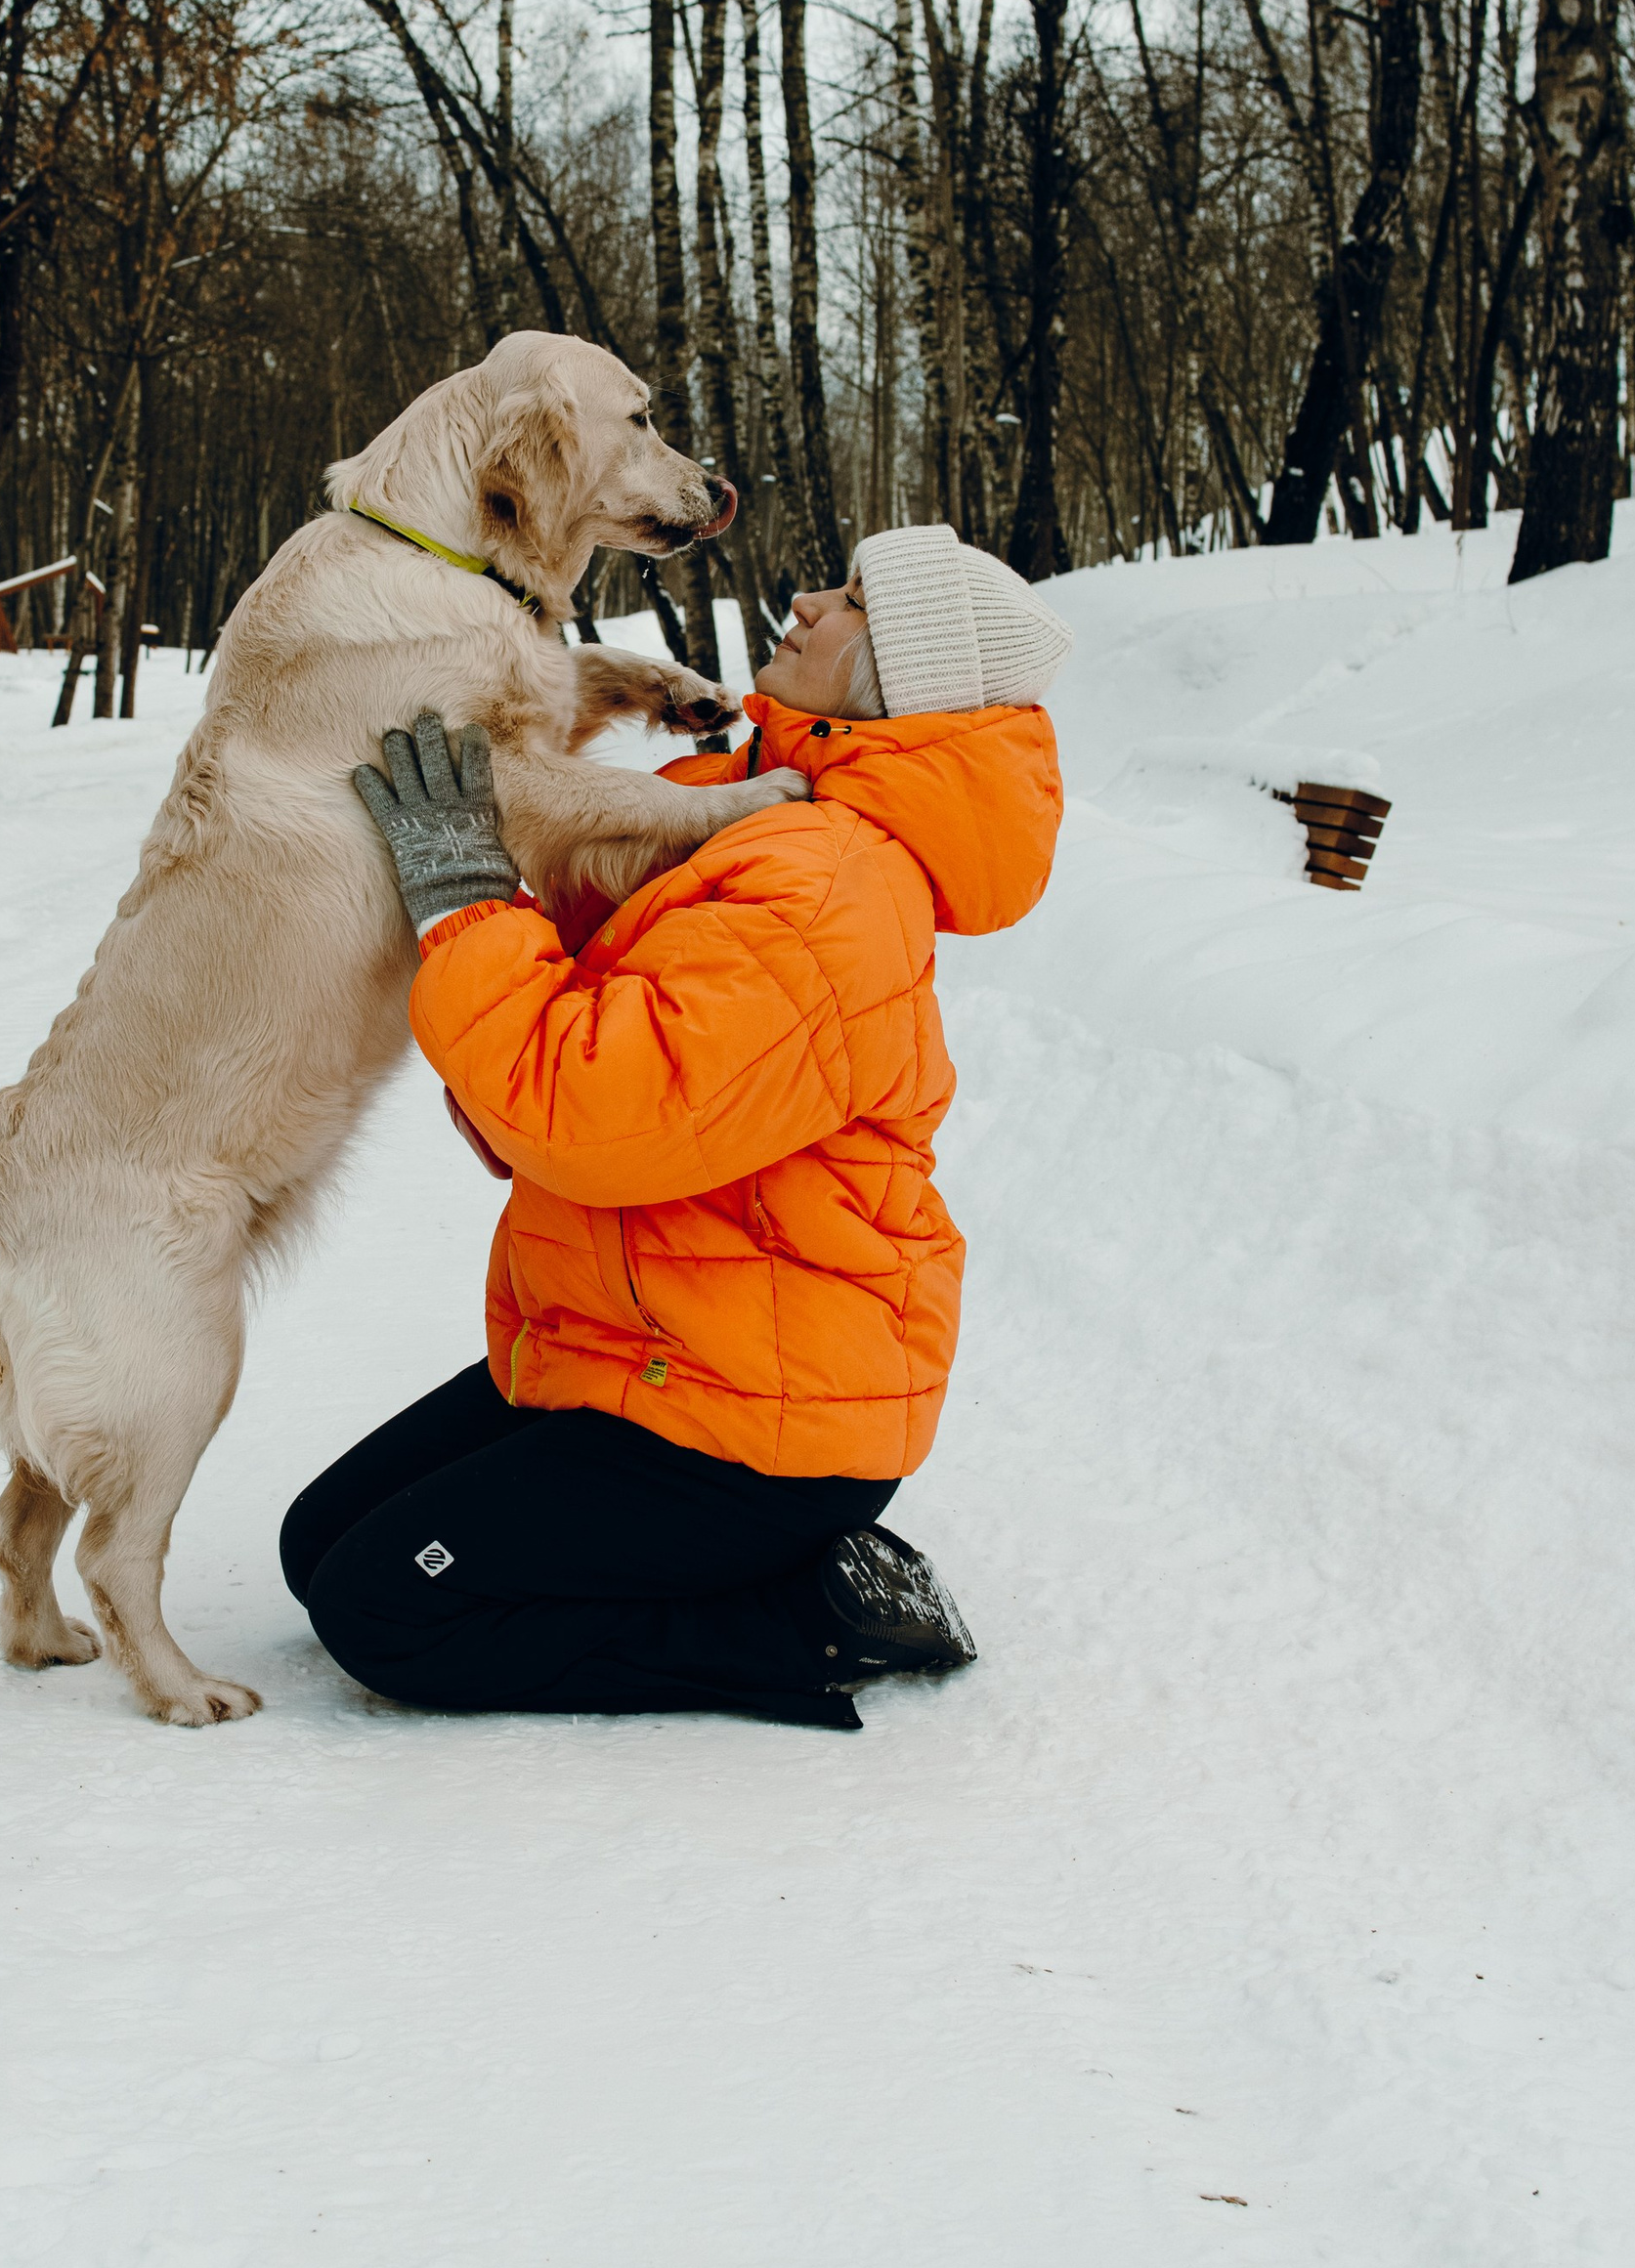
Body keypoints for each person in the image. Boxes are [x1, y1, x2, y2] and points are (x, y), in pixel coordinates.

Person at [283, 523, 1069, 1732]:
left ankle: (810, 1606)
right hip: (642, 1351)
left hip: (755, 1419)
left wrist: (467, 899)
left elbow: (581, 1116)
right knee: (316, 1542)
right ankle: (746, 1559)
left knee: (384, 1609)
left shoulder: (819, 890)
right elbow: (542, 1085)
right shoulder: (748, 817)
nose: (808, 599)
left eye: (853, 600)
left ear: (896, 686)